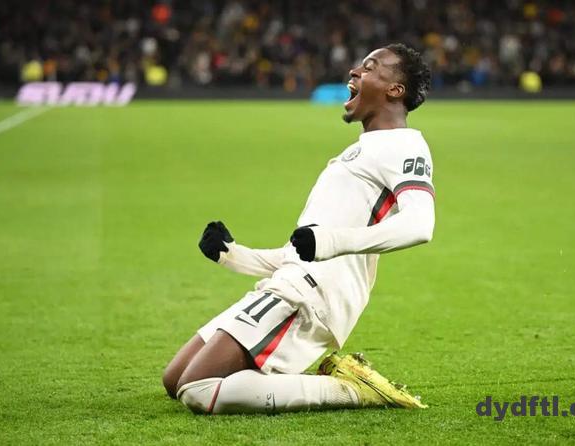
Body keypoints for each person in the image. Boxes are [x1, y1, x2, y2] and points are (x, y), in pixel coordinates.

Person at [163, 43, 435, 414]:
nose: (355, 71)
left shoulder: (404, 145)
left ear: (395, 90)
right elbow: (305, 250)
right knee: (174, 380)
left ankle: (351, 390)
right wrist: (234, 255)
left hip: (313, 294)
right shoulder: (359, 152)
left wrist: (331, 241)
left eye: (370, 67)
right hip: (294, 281)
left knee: (198, 388)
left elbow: (420, 224)